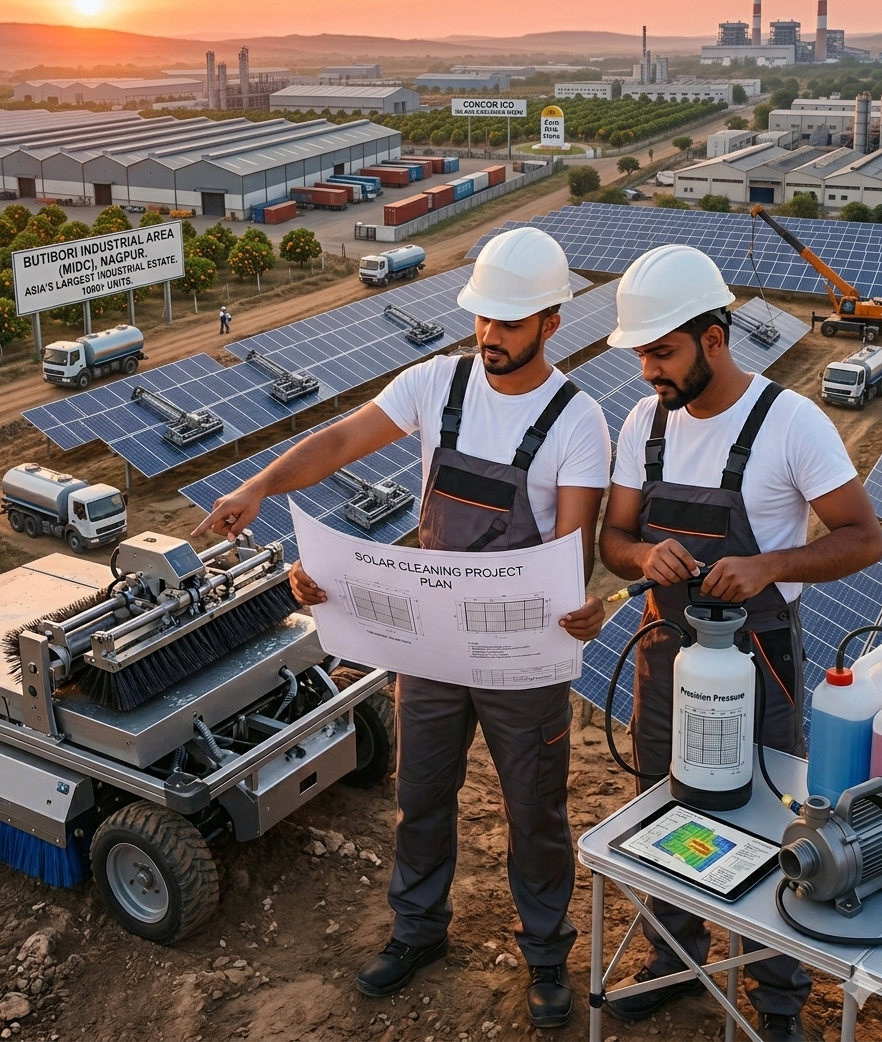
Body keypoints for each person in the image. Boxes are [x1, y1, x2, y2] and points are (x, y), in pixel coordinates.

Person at [193, 227, 612, 1029]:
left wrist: (582, 602)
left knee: (535, 811)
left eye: (510, 323)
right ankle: (418, 930)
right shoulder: (434, 386)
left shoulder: (578, 420)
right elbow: (341, 440)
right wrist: (258, 485)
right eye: (484, 319)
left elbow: (574, 551)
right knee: (421, 796)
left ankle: (546, 954)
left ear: (552, 323)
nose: (490, 336)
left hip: (522, 655)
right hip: (432, 649)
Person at [597, 245, 882, 1042]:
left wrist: (770, 565)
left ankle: (778, 1002)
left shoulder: (789, 423)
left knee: (766, 821)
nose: (648, 369)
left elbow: (863, 540)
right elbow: (614, 539)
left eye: (662, 351)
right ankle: (673, 961)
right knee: (663, 806)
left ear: (713, 339)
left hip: (762, 664)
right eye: (642, 352)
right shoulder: (642, 422)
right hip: (665, 652)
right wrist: (641, 557)